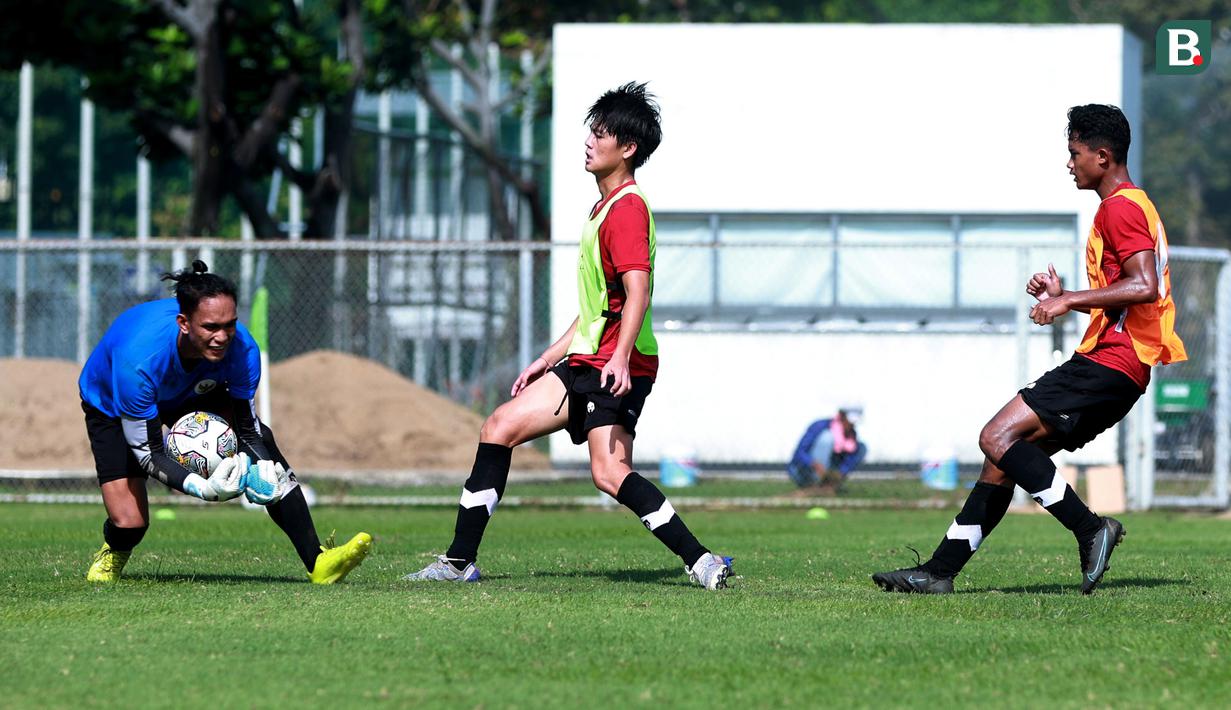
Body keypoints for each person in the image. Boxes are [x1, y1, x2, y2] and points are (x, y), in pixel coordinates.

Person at [403, 82, 732, 590]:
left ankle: (702, 560)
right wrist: (548, 357)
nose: (589, 140)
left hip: (620, 363)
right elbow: (598, 308)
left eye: (602, 133)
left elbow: (637, 292)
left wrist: (620, 359)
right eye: (591, 130)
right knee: (499, 427)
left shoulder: (626, 209)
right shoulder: (602, 208)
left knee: (608, 471)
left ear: (629, 148)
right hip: (587, 361)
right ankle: (458, 562)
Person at [873, 104, 1186, 595]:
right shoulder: (1133, 205)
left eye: (1074, 153)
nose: (1069, 164)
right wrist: (1068, 298)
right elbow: (1131, 300)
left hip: (1110, 362)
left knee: (996, 435)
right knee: (1002, 461)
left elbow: (1143, 286)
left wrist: (1066, 301)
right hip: (1122, 366)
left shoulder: (1120, 207)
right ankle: (938, 572)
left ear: (1102, 156)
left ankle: (1090, 528)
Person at [79, 261, 371, 583]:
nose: (222, 337)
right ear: (184, 323)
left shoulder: (243, 349)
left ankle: (318, 562)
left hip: (190, 389)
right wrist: (203, 488)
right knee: (130, 523)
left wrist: (263, 469)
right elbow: (148, 452)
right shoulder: (138, 361)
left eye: (229, 325)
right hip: (111, 402)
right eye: (210, 327)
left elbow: (248, 429)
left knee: (266, 449)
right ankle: (113, 551)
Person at [786, 408, 866, 494]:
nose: (852, 425)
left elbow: (849, 460)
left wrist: (840, 473)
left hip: (828, 472)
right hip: (803, 471)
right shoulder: (819, 426)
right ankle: (814, 483)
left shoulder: (851, 436)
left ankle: (828, 485)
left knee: (861, 447)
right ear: (842, 416)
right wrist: (814, 464)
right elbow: (799, 453)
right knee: (827, 438)